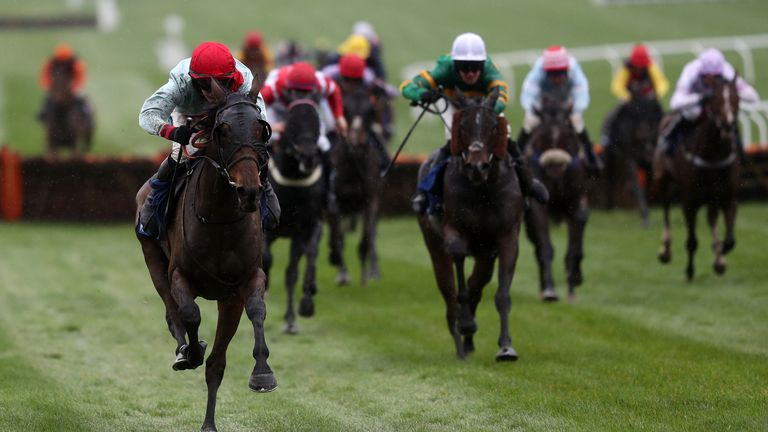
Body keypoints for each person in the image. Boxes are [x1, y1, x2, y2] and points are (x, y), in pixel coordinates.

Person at [137, 41, 280, 240]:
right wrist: (171, 131)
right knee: (180, 154)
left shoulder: (245, 79)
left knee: (252, 151)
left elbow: (260, 120)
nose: (212, 90)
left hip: (229, 115)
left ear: (232, 78)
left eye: (221, 83)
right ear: (192, 79)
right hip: (189, 116)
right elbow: (147, 114)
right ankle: (154, 201)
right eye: (204, 84)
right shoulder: (180, 83)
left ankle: (266, 192)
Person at [400, 32, 548, 215]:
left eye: (475, 67)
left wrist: (485, 116)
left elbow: (502, 95)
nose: (470, 73)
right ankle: (426, 192)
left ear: (482, 64)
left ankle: (528, 183)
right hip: (456, 106)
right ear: (455, 64)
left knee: (505, 135)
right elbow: (406, 86)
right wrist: (422, 94)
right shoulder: (444, 68)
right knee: (452, 140)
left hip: (486, 106)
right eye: (464, 67)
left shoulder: (489, 70)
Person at [260, 61, 348, 210]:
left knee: (324, 145)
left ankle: (329, 192)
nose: (301, 96)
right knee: (265, 141)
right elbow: (256, 107)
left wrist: (339, 116)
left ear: (314, 89)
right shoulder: (274, 86)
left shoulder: (322, 82)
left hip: (308, 115)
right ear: (288, 88)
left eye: (306, 92)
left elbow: (335, 91)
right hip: (280, 112)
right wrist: (272, 127)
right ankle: (260, 191)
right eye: (296, 92)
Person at [659, 48, 759, 156]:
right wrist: (700, 98)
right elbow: (675, 102)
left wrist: (728, 95)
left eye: (716, 77)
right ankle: (668, 141)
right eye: (708, 76)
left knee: (729, 116)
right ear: (702, 73)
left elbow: (753, 97)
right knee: (692, 113)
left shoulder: (727, 71)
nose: (712, 80)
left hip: (718, 109)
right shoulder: (691, 70)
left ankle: (740, 152)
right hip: (696, 108)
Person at [518, 45, 602, 172]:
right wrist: (535, 110)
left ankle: (591, 157)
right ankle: (517, 157)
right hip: (543, 103)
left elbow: (582, 93)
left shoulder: (574, 70)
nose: (556, 78)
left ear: (566, 70)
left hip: (565, 104)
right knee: (529, 122)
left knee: (577, 122)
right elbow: (528, 95)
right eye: (552, 74)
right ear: (546, 71)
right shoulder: (538, 71)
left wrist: (574, 109)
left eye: (560, 73)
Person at [322, 53, 396, 171]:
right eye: (347, 79)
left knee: (385, 161)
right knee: (322, 156)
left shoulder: (370, 81)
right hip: (336, 127)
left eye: (355, 81)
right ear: (342, 76)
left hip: (363, 128)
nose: (351, 84)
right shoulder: (329, 79)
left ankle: (383, 175)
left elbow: (391, 94)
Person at [602, 43, 669, 147]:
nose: (640, 69)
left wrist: (656, 95)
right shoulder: (626, 69)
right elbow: (617, 85)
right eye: (637, 66)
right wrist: (626, 96)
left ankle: (666, 141)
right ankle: (606, 141)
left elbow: (662, 84)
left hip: (649, 102)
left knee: (664, 118)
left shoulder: (652, 68)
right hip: (632, 102)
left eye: (642, 66)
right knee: (612, 117)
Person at [37, 43, 91, 123]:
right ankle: (43, 112)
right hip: (56, 86)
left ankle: (85, 112)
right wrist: (48, 86)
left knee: (81, 97)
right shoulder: (51, 62)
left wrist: (75, 88)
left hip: (74, 86)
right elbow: (45, 75)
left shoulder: (76, 63)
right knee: (47, 99)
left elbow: (80, 77)